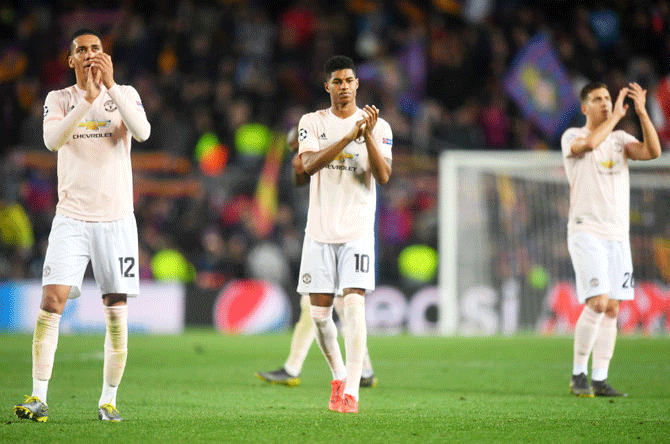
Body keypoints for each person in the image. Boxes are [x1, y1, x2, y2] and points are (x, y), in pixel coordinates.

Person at [13, 28, 150, 422]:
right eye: (82, 50)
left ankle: (108, 401)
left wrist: (109, 89)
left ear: (105, 56)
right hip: (71, 218)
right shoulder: (59, 99)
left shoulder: (126, 94)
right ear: (70, 60)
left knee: (115, 310)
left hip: (117, 221)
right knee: (51, 301)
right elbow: (53, 141)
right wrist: (88, 99)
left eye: (96, 48)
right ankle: (39, 397)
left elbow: (142, 132)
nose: (90, 54)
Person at [295, 55, 392, 413]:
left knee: (353, 306)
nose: (344, 87)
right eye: (337, 81)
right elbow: (307, 166)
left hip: (357, 231)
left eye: (349, 81)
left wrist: (366, 138)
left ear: (357, 85)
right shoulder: (312, 122)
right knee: (319, 318)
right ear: (327, 87)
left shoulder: (380, 127)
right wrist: (348, 136)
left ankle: (351, 391)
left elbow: (383, 176)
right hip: (319, 232)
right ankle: (338, 376)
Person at [256, 129, 377, 389]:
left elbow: (365, 182)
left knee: (325, 306)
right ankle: (363, 371)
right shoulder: (315, 163)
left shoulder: (342, 158)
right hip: (325, 237)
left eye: (297, 147)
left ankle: (294, 369)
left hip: (347, 238)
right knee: (335, 307)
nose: (296, 155)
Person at [562, 81, 660, 397]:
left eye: (607, 98)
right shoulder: (573, 136)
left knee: (613, 309)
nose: (605, 103)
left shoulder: (620, 139)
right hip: (586, 230)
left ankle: (600, 379)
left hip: (618, 236)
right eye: (597, 99)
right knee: (598, 301)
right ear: (584, 107)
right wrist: (616, 117)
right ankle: (578, 375)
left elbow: (652, 152)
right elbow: (588, 146)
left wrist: (643, 114)